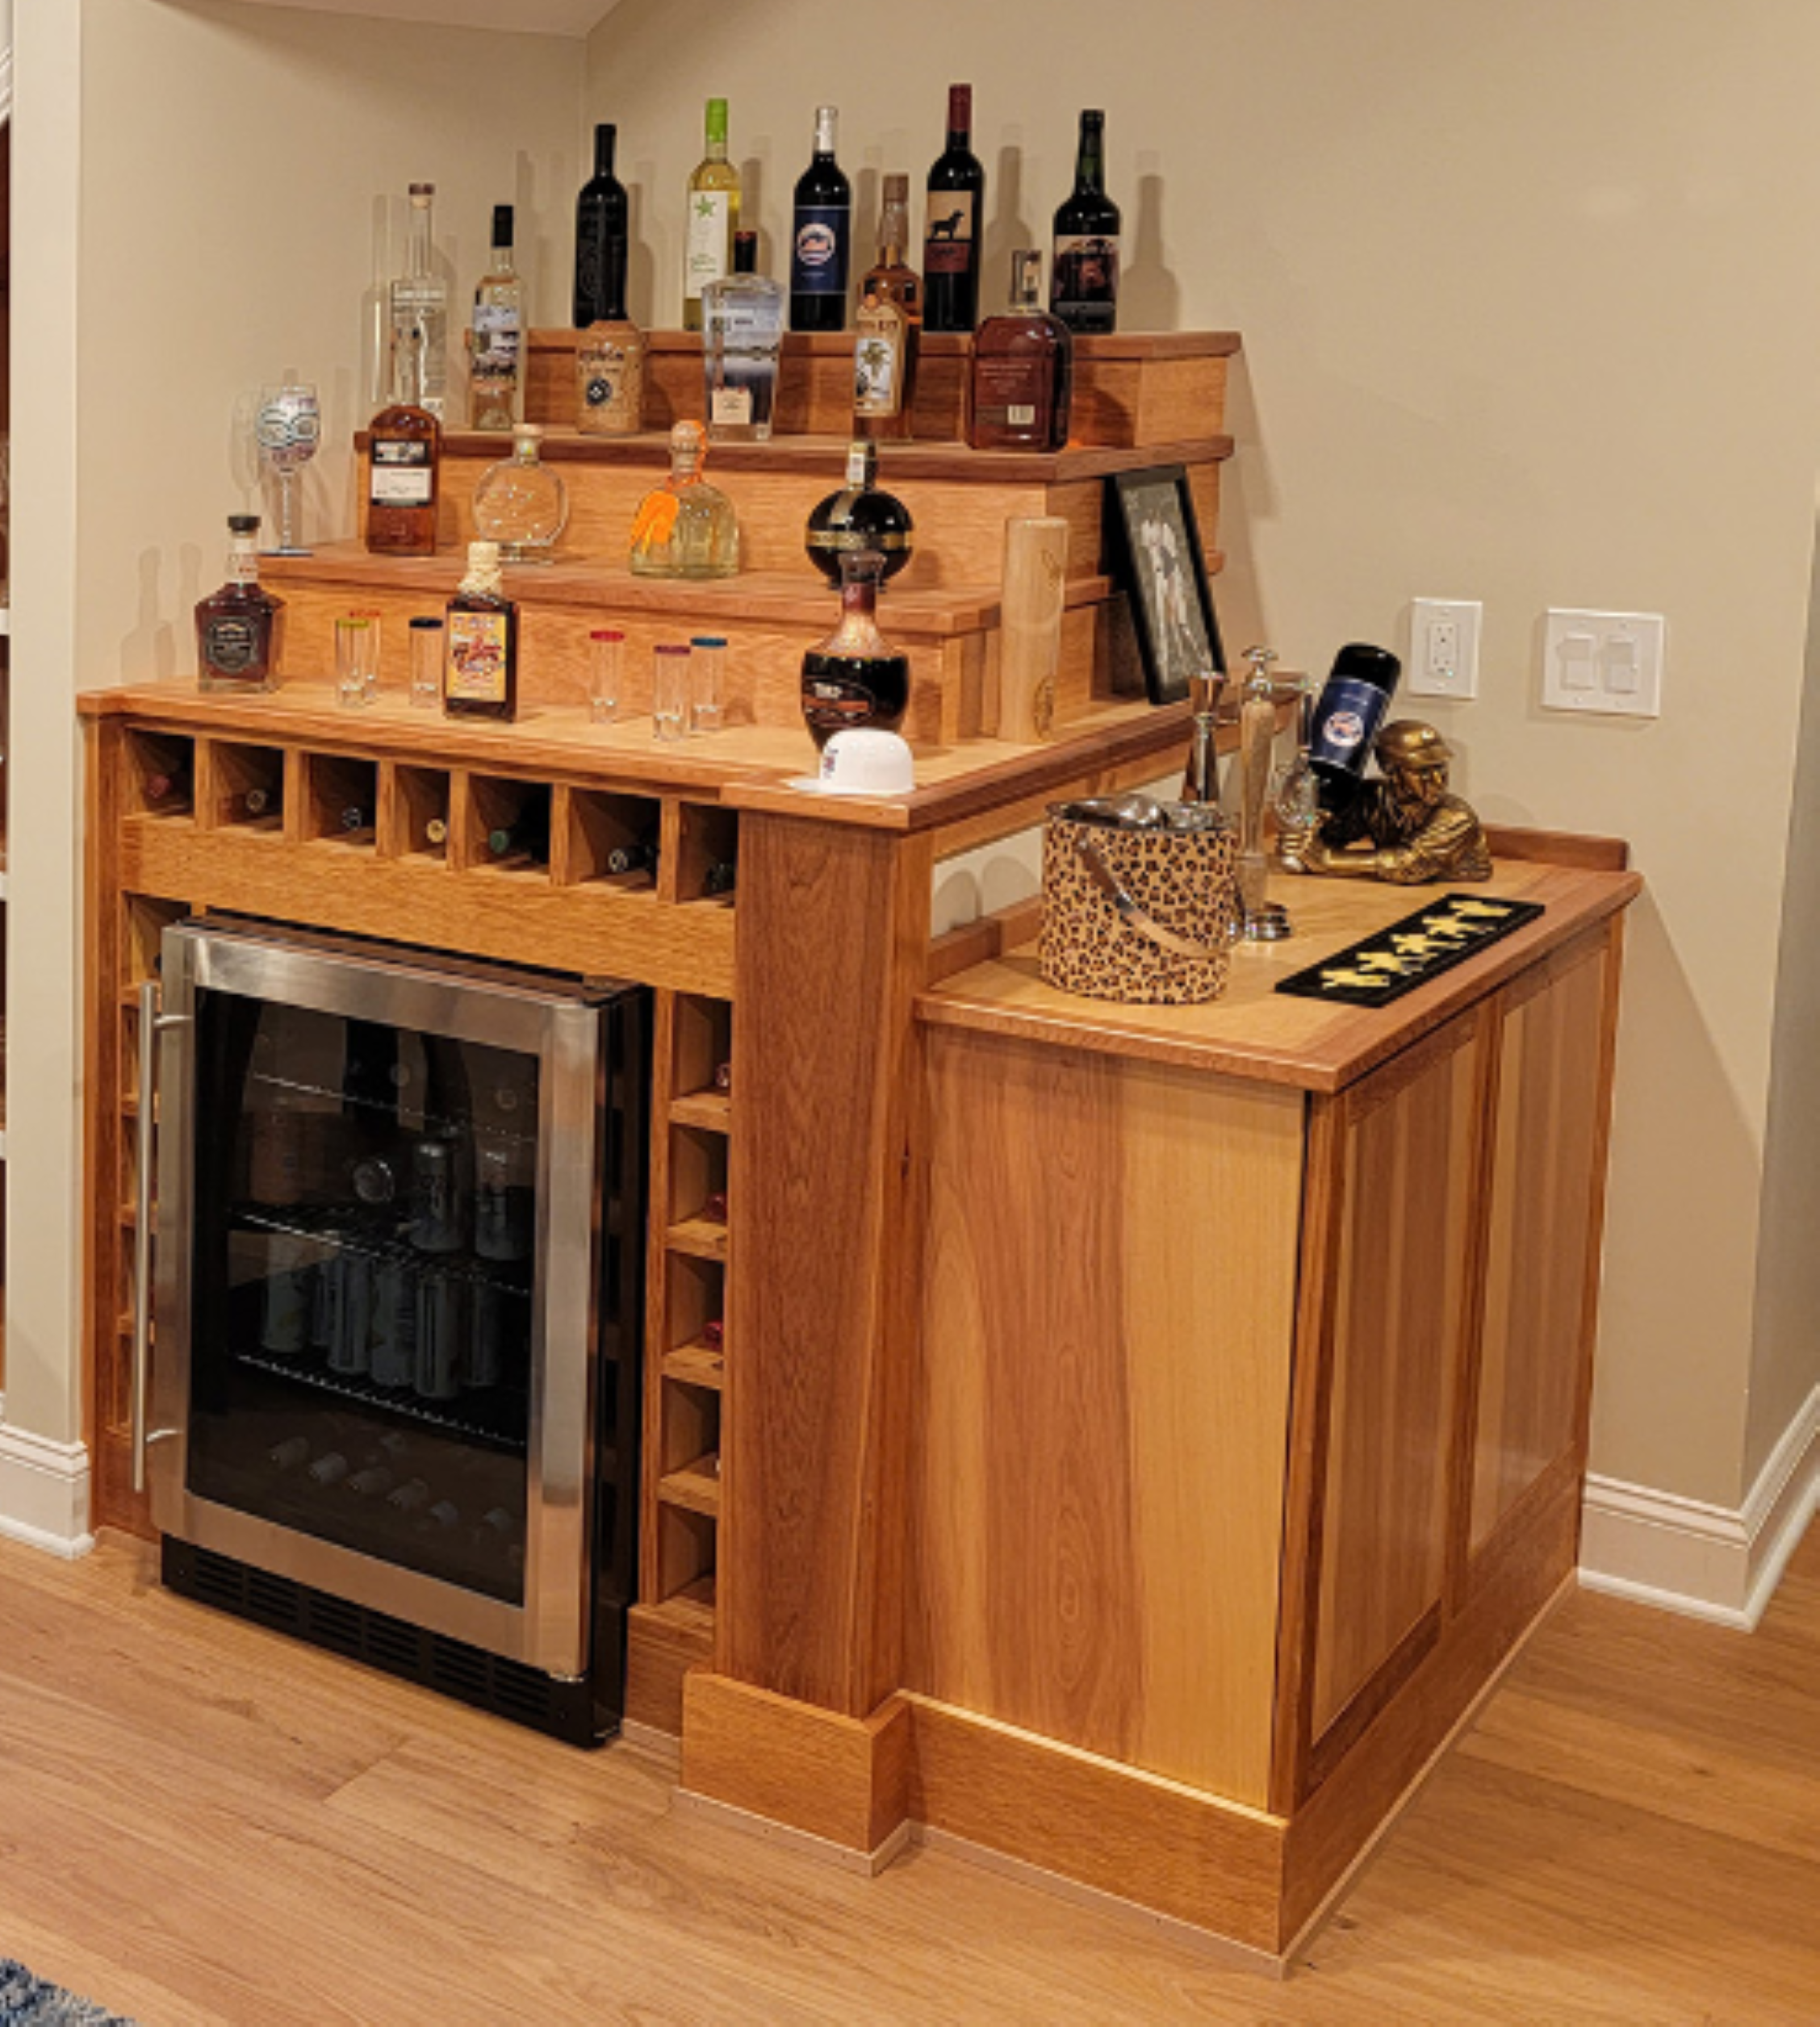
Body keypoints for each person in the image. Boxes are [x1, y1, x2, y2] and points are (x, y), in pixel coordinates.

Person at [1282, 720, 1492, 884]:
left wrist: (1330, 860)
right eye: (1422, 771)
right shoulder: (1374, 797)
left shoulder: (1456, 817)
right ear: (1391, 770)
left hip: (1456, 894)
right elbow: (1336, 835)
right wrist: (1305, 837)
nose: (1438, 781)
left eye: (1440, 768)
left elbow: (1411, 865)